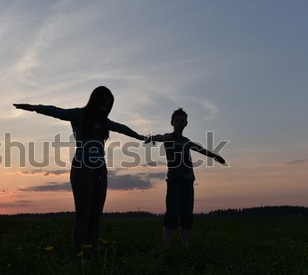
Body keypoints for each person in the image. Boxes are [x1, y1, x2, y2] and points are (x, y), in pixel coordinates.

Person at [14, 86, 145, 257]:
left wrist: (140, 137)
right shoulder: (79, 115)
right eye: (102, 104)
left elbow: (121, 128)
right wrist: (36, 108)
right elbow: (57, 111)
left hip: (100, 170)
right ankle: (81, 256)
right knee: (83, 215)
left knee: (96, 216)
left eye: (107, 106)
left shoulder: (105, 122)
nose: (104, 109)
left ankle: (93, 254)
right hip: (82, 168)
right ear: (94, 101)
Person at [146, 108, 226, 249]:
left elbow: (200, 149)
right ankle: (167, 248)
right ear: (172, 122)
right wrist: (152, 138)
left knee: (187, 215)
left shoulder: (187, 141)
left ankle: (185, 247)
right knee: (172, 213)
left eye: (182, 121)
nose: (180, 123)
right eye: (177, 120)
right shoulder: (169, 137)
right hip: (175, 180)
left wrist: (215, 156)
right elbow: (161, 137)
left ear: (186, 124)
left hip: (188, 181)